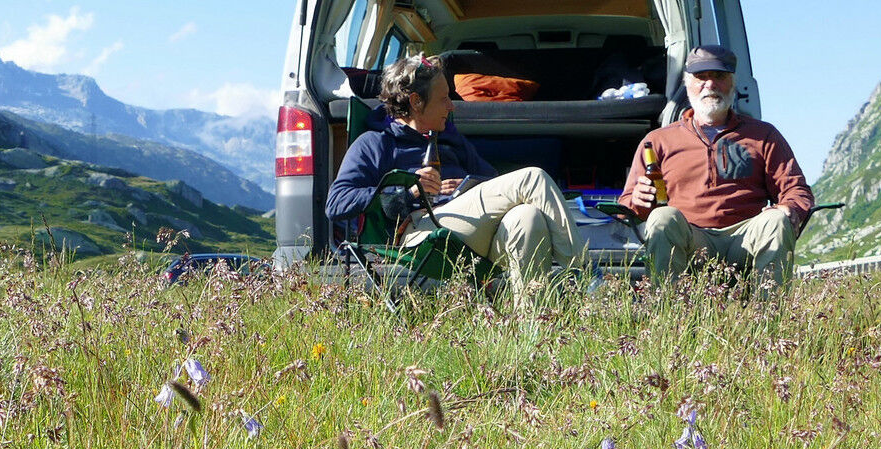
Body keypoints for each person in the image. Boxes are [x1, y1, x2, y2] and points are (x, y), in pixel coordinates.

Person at [327, 54, 588, 307]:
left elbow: (493, 182)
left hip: (473, 229)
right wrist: (409, 190)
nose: (452, 106)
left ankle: (529, 328)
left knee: (528, 216)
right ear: (416, 102)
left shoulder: (452, 142)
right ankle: (584, 281)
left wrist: (467, 186)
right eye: (444, 99)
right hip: (425, 234)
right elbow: (336, 203)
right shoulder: (377, 143)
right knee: (532, 178)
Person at [618, 45, 814, 291]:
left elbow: (797, 190)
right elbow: (626, 205)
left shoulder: (763, 135)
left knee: (776, 219)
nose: (710, 85)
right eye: (701, 77)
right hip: (690, 237)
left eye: (719, 76)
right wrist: (638, 200)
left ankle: (769, 319)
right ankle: (666, 313)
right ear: (687, 85)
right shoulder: (658, 141)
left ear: (733, 82)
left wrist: (790, 207)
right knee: (662, 216)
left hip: (745, 237)